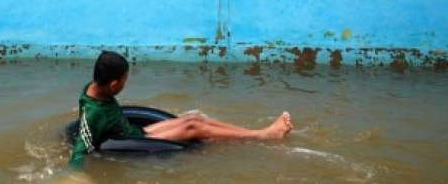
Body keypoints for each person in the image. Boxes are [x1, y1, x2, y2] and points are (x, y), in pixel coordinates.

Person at [69, 51, 294, 169]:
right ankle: (262, 135)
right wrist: (75, 174)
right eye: (125, 80)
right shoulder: (94, 113)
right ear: (114, 85)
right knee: (193, 126)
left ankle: (254, 132)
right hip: (128, 138)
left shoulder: (93, 88)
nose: (126, 84)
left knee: (193, 118)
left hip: (133, 132)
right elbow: (81, 147)